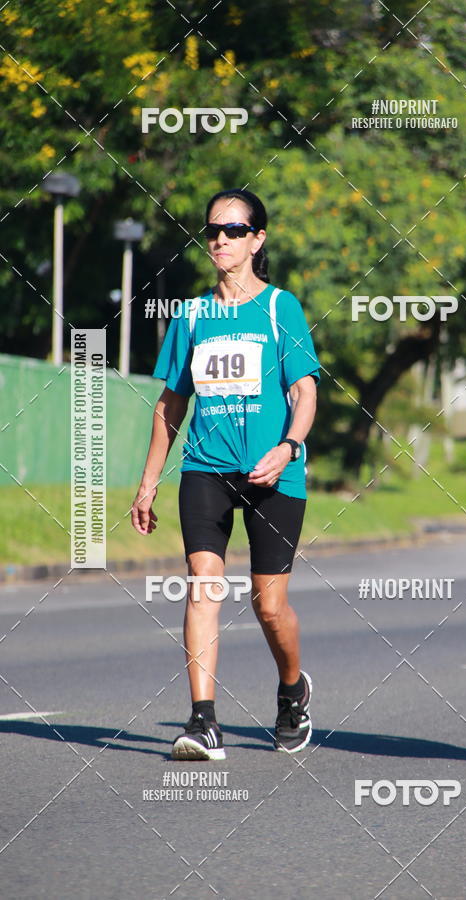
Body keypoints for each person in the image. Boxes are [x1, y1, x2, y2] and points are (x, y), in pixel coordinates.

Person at [131, 188, 320, 760]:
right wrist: (147, 483)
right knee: (203, 586)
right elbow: (170, 405)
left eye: (235, 230)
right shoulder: (190, 316)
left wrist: (288, 447)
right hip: (206, 470)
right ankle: (203, 722)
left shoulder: (279, 307)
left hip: (272, 472)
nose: (221, 239)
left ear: (257, 239)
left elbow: (305, 391)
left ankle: (292, 690)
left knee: (268, 605)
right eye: (213, 229)